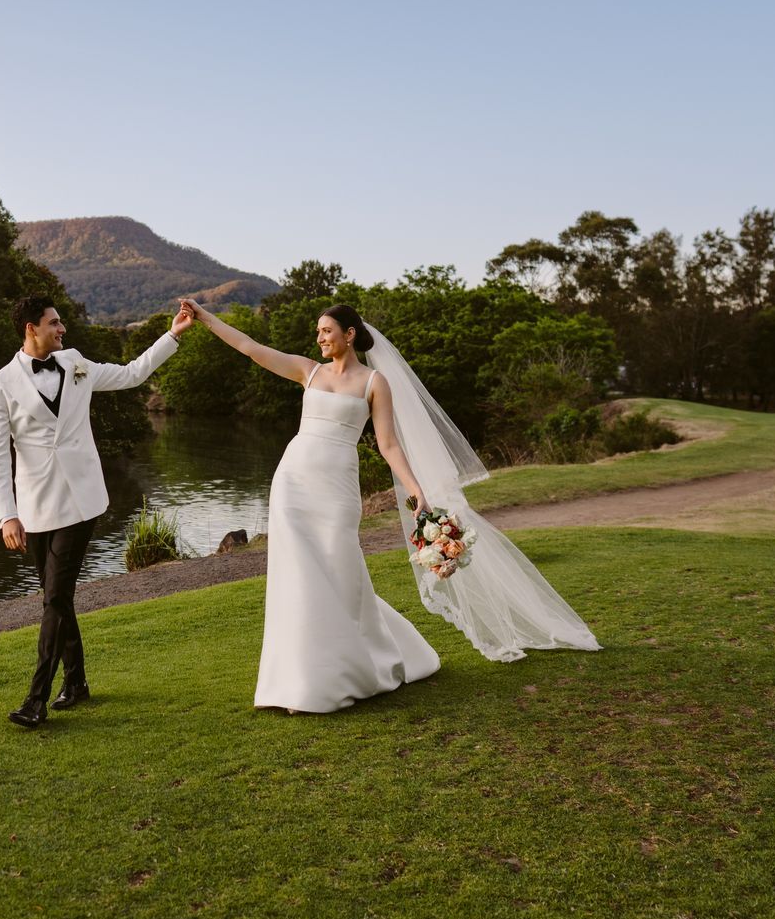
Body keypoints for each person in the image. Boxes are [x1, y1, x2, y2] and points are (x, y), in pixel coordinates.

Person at [179, 299, 599, 713]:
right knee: (296, 573)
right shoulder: (309, 371)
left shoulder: (374, 382)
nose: (320, 337)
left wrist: (416, 489)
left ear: (350, 334)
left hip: (337, 484)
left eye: (327, 330)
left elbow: (389, 444)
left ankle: (365, 662)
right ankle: (302, 683)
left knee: (341, 571)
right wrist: (205, 317)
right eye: (318, 332)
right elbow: (250, 347)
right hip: (293, 481)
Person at [0, 296, 195, 727]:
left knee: (56, 596)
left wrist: (173, 334)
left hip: (82, 500)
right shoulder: (0, 384)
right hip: (36, 506)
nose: (63, 330)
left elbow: (134, 374)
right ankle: (76, 682)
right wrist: (6, 514)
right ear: (31, 328)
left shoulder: (76, 363)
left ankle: (36, 699)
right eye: (54, 323)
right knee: (55, 599)